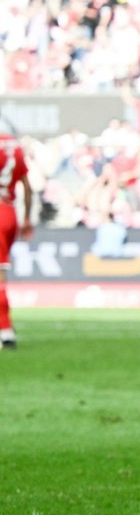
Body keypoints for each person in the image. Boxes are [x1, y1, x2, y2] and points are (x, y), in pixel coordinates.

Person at [0, 125, 30, 350]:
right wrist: (27, 217)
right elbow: (27, 187)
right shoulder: (14, 147)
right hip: (9, 211)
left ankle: (6, 330)